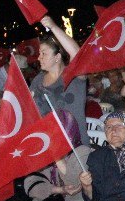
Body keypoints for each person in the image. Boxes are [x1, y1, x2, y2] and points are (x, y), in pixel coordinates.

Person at [29, 15, 88, 145]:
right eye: (39, 53)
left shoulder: (73, 76)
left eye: (43, 53)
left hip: (75, 147)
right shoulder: (37, 81)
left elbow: (77, 54)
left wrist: (53, 27)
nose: (39, 58)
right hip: (48, 146)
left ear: (57, 57)